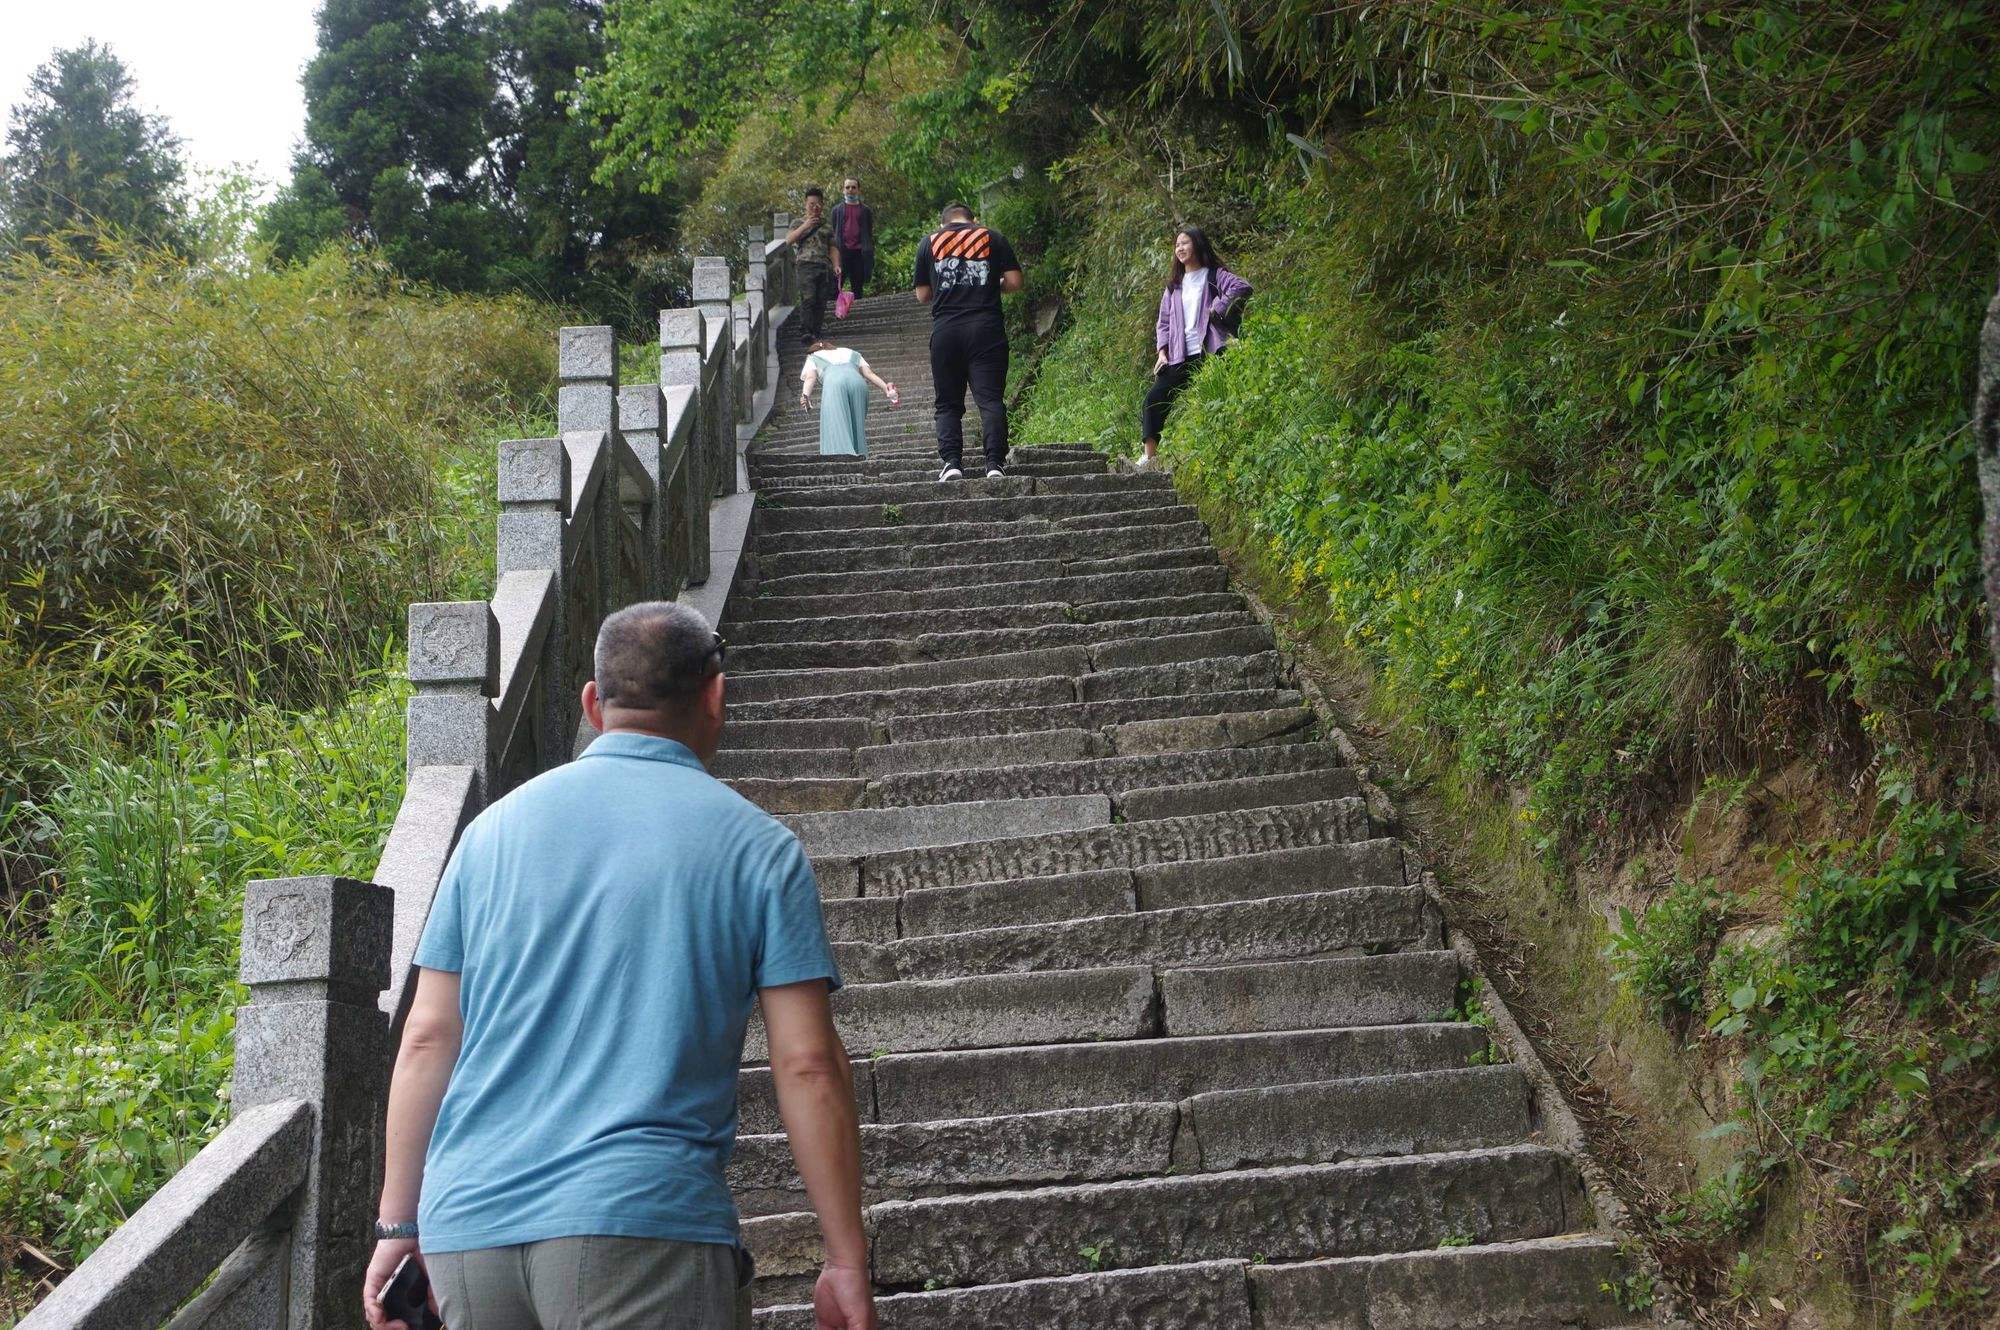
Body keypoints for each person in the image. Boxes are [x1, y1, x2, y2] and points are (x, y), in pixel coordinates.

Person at [361, 602, 874, 1330]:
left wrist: (395, 1227)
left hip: (468, 1231)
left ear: (593, 705)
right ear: (716, 696)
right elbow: (808, 1064)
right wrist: (846, 1259)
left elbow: (428, 1037)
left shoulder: (487, 837)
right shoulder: (759, 850)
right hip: (641, 1225)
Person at [913, 202, 1023, 482]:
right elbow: (1014, 281)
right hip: (986, 330)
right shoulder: (992, 237)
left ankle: (951, 464)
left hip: (946, 331)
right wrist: (990, 284)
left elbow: (923, 295)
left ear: (943, 223)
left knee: (948, 403)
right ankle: (995, 464)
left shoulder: (929, 242)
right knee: (989, 400)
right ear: (973, 219)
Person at [1137, 225, 1251, 469]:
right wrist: (1162, 352)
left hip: (1209, 350)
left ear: (1198, 245)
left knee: (1223, 395)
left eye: (1185, 243)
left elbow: (1242, 287)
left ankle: (1231, 443)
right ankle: (1149, 457)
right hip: (1179, 355)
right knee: (1154, 398)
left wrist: (1217, 308)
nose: (1180, 248)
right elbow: (1163, 323)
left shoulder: (1214, 275)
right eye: (1177, 244)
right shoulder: (1174, 287)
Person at [801, 339, 899, 457]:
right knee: (857, 426)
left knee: (836, 424)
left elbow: (810, 377)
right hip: (858, 382)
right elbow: (869, 374)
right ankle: (861, 455)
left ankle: (842, 458)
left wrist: (805, 395)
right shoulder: (851, 352)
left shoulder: (813, 356)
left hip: (834, 383)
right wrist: (886, 388)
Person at [787, 187, 840, 343]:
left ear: (822, 205)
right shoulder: (798, 222)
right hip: (805, 265)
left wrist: (837, 265)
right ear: (805, 204)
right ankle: (805, 330)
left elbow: (833, 247)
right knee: (808, 297)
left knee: (821, 300)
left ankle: (816, 331)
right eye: (811, 204)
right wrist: (806, 225)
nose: (814, 207)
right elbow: (789, 240)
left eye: (817, 204)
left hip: (824, 266)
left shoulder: (827, 226)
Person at [829, 177, 875, 300]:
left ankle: (858, 313)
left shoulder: (865, 211)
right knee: (836, 286)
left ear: (859, 190)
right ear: (843, 190)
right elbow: (834, 230)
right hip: (841, 252)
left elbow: (868, 232)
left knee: (857, 287)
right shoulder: (836, 210)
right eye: (847, 187)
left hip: (859, 253)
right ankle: (835, 313)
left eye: (854, 187)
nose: (850, 190)